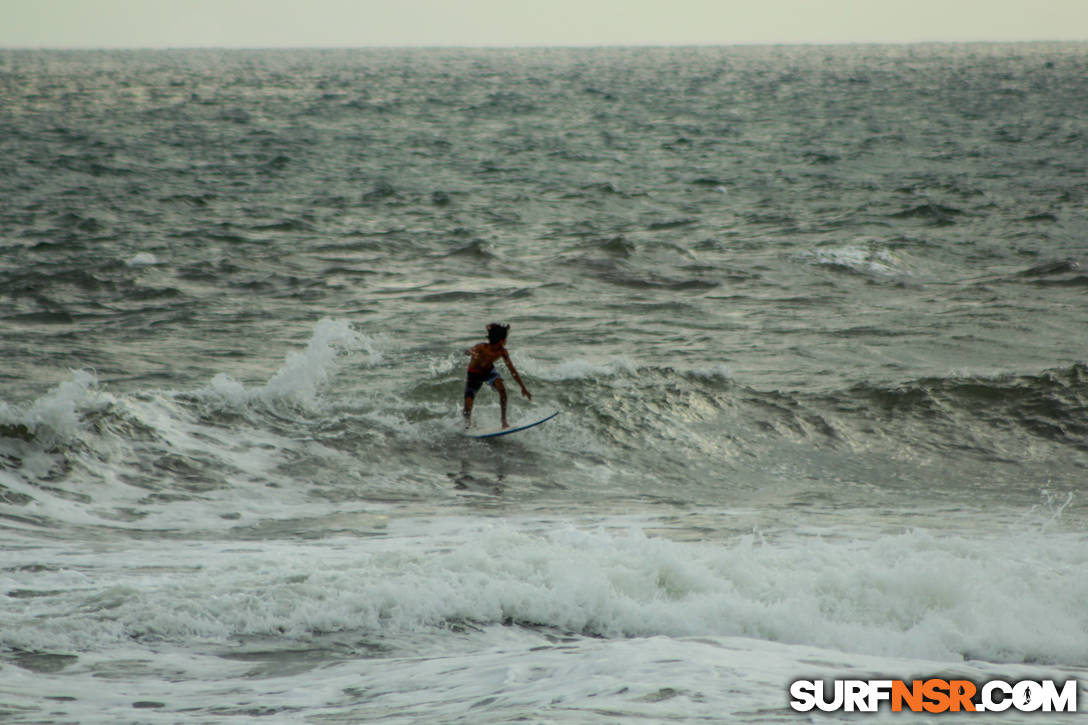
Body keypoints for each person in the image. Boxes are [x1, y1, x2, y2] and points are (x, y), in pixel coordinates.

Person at [463, 323, 531, 429]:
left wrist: (523, 387)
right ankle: (467, 425)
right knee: (468, 403)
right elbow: (467, 351)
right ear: (501, 341)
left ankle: (504, 421)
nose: (506, 341)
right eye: (505, 339)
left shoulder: (502, 352)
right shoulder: (482, 347)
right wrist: (472, 353)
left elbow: (512, 370)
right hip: (474, 374)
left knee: (501, 388)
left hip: (488, 371)